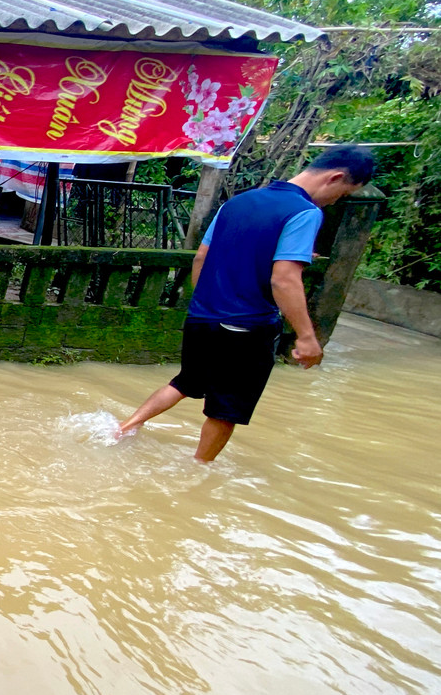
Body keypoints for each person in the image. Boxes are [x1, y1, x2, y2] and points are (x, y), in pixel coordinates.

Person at [115, 145, 376, 462]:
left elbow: (202, 257)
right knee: (227, 409)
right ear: (335, 178)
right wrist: (307, 337)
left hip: (202, 318)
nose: (335, 201)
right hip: (247, 326)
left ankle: (123, 429)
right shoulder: (305, 212)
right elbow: (284, 279)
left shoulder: (238, 202)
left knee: (185, 382)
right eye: (343, 194)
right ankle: (198, 471)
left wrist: (205, 305)